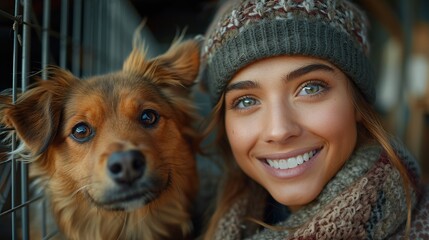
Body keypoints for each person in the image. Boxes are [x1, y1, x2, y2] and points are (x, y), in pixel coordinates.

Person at [198, 0, 429, 239]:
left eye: (310, 88)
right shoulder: (200, 223)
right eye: (246, 101)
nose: (279, 130)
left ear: (357, 102)